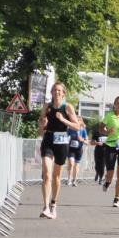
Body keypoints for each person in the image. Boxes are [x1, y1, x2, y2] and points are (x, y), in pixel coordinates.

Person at [37, 82, 84, 219]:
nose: (57, 92)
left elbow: (77, 127)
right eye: (55, 90)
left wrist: (63, 119)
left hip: (62, 142)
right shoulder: (47, 106)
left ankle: (53, 204)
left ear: (63, 93)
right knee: (46, 173)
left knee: (56, 177)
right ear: (51, 93)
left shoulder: (67, 107)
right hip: (48, 139)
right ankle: (45, 207)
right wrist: (42, 125)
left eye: (59, 90)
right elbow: (40, 130)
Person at [66, 117, 89, 186]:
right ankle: (69, 179)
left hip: (79, 149)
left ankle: (74, 180)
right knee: (71, 163)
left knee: (76, 165)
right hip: (71, 149)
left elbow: (87, 141)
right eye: (76, 120)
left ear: (81, 122)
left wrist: (82, 140)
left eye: (79, 120)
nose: (77, 121)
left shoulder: (83, 130)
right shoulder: (70, 129)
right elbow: (66, 137)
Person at [91, 120, 109, 185]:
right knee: (97, 165)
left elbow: (112, 141)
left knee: (102, 165)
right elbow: (92, 142)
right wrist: (96, 143)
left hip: (106, 151)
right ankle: (97, 173)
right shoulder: (97, 132)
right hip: (98, 150)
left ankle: (100, 178)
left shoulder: (108, 133)